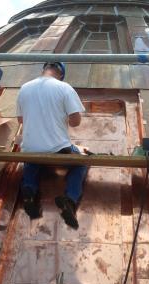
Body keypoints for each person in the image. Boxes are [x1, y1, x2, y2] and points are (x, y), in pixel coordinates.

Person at [16, 62, 87, 230]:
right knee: (81, 162)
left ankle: (29, 190)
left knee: (32, 158)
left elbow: (20, 120)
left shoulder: (24, 88)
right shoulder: (64, 87)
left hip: (30, 148)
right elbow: (76, 122)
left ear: (43, 70)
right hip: (58, 148)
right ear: (61, 74)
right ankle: (70, 198)